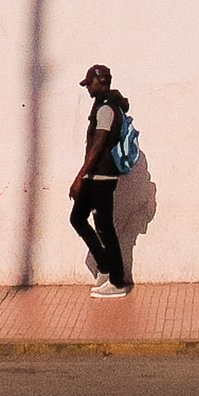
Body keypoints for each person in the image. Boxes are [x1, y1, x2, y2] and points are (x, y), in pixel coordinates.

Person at [69, 63, 132, 297]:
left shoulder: (106, 108)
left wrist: (79, 177)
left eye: (89, 83)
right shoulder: (101, 105)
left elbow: (98, 145)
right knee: (77, 218)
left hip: (102, 176)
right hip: (94, 175)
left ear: (101, 81)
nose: (87, 88)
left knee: (105, 228)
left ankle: (117, 282)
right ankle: (104, 266)